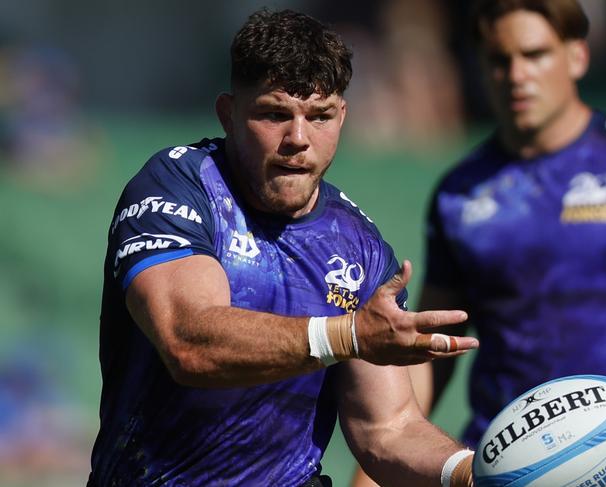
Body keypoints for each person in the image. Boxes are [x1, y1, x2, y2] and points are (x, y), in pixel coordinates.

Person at [87, 9, 480, 487]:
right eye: (275, 114)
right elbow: (188, 342)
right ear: (228, 114)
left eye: (320, 116)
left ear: (342, 117)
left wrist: (472, 474)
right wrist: (347, 336)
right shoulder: (178, 187)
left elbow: (388, 429)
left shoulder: (361, 248)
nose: (298, 139)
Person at [414, 0, 606, 486]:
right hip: (505, 466)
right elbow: (432, 353)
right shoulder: (459, 194)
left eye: (535, 54)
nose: (517, 75)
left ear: (577, 57)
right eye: (500, 60)